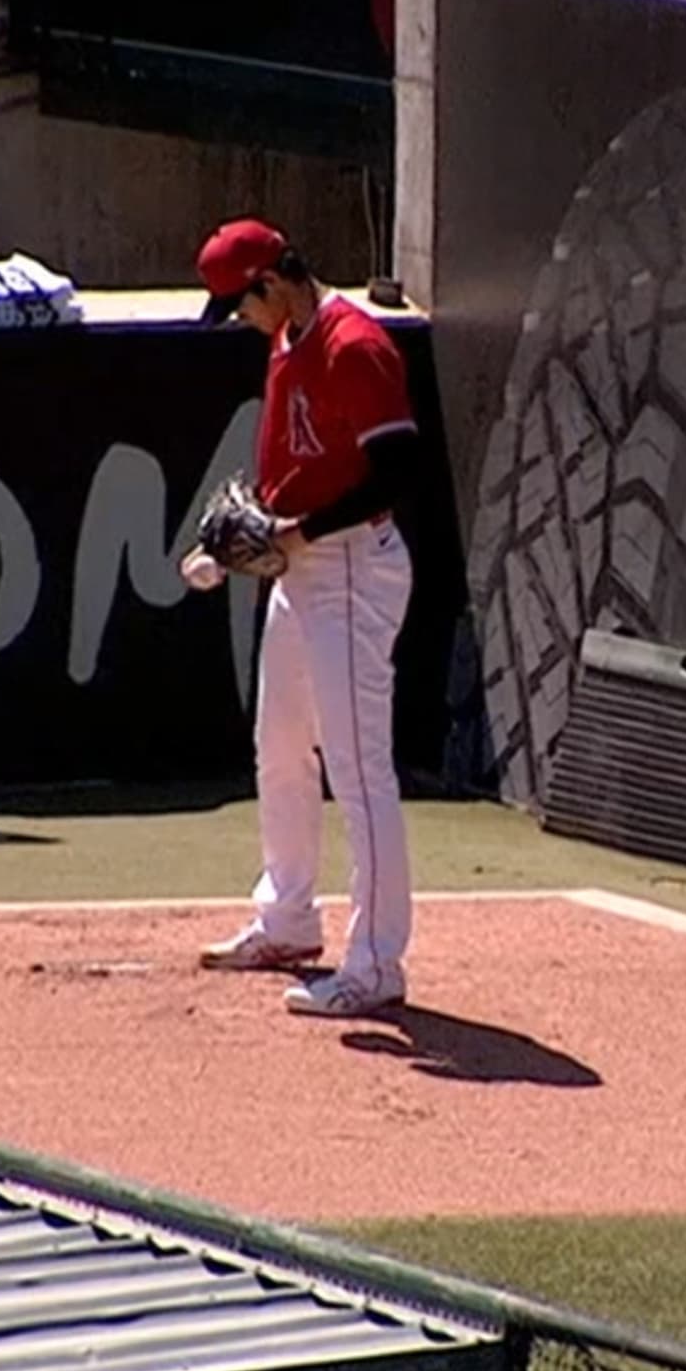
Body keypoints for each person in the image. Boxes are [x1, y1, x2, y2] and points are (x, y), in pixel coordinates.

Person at [181, 218, 430, 1018]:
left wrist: (301, 533)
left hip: (351, 568)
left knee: (359, 768)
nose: (241, 320)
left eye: (241, 304)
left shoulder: (355, 346)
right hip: (303, 568)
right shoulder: (287, 337)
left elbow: (397, 472)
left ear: (272, 281)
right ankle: (288, 921)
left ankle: (377, 962)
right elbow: (294, 469)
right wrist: (233, 547)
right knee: (282, 748)